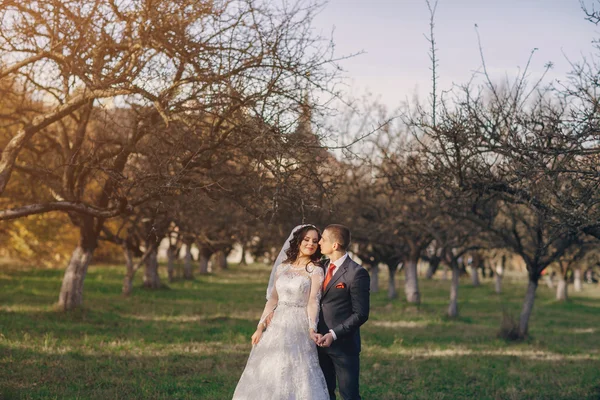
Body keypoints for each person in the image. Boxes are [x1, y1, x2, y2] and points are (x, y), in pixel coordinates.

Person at [232, 224, 329, 400]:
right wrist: (260, 327)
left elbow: (313, 302)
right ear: (298, 241)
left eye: (315, 241)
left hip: (299, 323)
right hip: (278, 324)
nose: (311, 244)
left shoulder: (315, 269)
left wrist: (311, 328)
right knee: (271, 366)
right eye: (307, 239)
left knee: (297, 368)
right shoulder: (283, 267)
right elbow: (273, 300)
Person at [316, 224, 370, 400]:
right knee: (324, 393)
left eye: (323, 239)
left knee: (349, 395)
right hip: (318, 344)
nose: (319, 242)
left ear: (335, 245)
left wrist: (334, 334)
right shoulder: (319, 267)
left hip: (344, 346)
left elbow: (361, 313)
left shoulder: (357, 273)